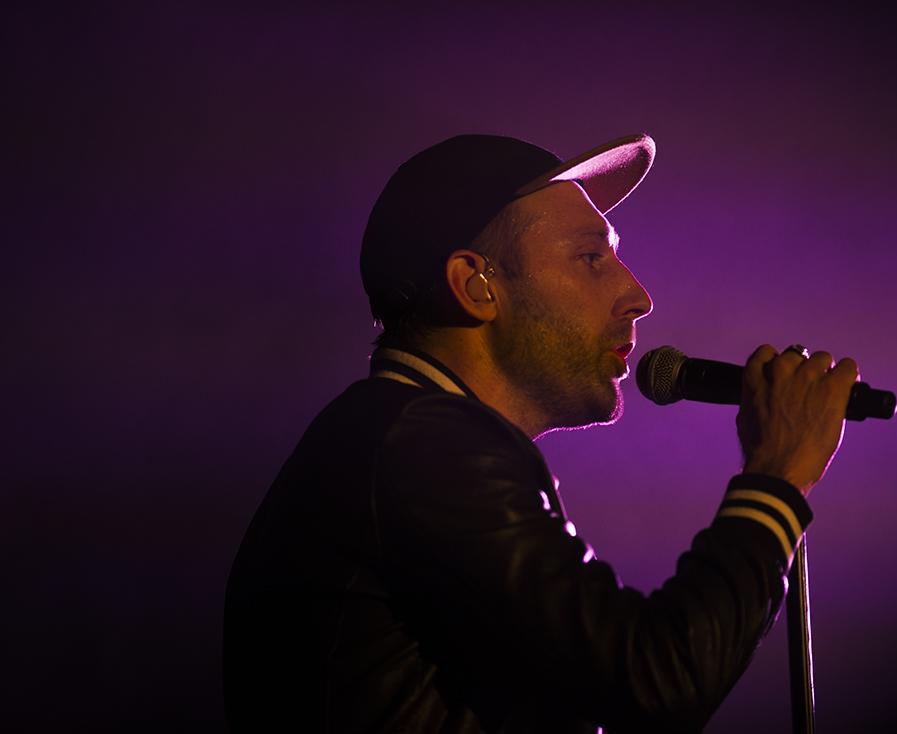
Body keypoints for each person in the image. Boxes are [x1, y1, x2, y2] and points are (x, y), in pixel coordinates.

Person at [223, 133, 857, 733]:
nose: (638, 295)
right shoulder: (425, 443)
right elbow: (654, 678)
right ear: (476, 285)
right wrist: (774, 478)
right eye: (590, 257)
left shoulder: (396, 436)